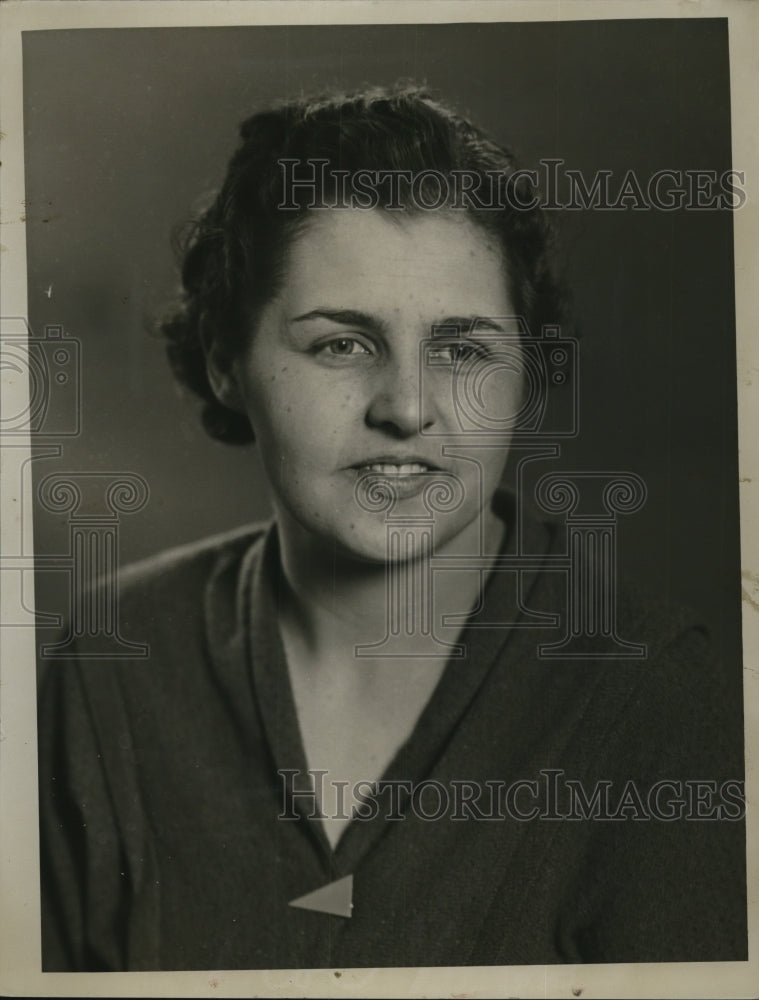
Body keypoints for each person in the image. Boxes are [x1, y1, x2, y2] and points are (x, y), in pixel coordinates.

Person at [37, 85, 747, 971]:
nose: (408, 408)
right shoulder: (116, 659)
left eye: (463, 350)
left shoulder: (651, 699)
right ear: (225, 362)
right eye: (341, 344)